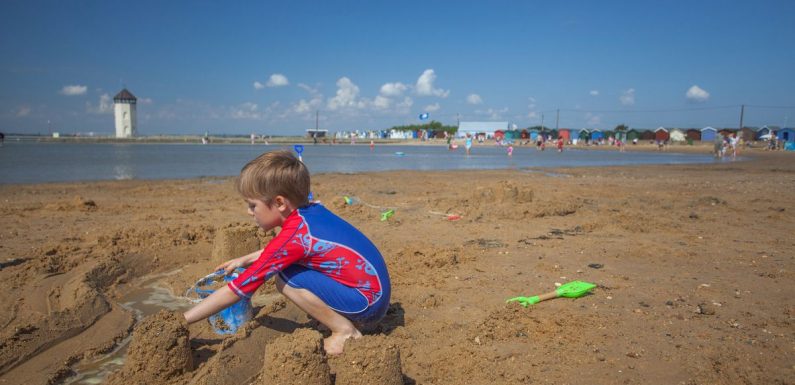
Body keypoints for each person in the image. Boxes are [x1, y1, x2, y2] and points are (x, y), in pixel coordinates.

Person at [183, 151, 391, 355]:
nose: (249, 212)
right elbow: (289, 249)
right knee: (290, 265)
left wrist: (184, 320)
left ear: (280, 203)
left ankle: (344, 332)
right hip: (374, 293)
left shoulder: (295, 237)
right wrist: (244, 259)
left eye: (252, 205)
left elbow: (236, 290)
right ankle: (345, 320)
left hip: (367, 305)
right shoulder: (310, 212)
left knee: (285, 277)